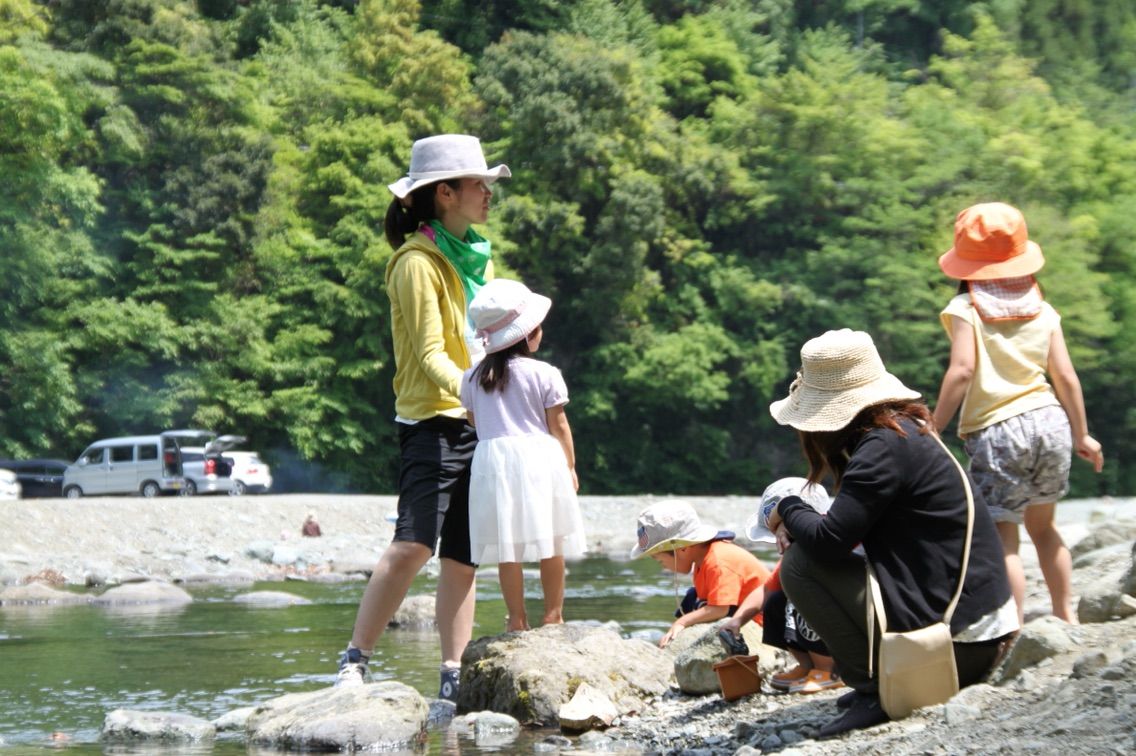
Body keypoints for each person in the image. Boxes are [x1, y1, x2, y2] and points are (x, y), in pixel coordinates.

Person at [763, 329, 1018, 738]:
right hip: (977, 632)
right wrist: (801, 522)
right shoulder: (904, 431)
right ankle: (876, 678)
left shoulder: (881, 448)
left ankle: (873, 689)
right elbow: (846, 530)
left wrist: (788, 508)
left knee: (800, 565)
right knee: (808, 552)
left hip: (954, 647)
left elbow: (828, 544)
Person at [335, 134, 510, 702]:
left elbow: (488, 341)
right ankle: (354, 660)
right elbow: (431, 352)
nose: (488, 193)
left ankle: (453, 674)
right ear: (445, 193)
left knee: (463, 554)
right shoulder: (414, 263)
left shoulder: (477, 257)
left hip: (478, 419)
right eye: (479, 184)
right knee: (414, 544)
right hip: (432, 422)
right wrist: (473, 394)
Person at [932, 202, 1104, 624]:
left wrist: (934, 426)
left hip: (999, 431)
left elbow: (962, 371)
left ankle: (1015, 626)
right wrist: (1082, 434)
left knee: (1003, 537)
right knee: (1045, 528)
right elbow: (1065, 376)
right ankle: (1065, 616)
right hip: (1051, 422)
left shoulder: (965, 310)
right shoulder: (1043, 309)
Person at [460, 279, 586, 632]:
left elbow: (473, 420)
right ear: (528, 334)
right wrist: (570, 466)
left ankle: (516, 619)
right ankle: (553, 615)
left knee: (508, 546)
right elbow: (559, 426)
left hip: (492, 463)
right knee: (552, 540)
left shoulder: (471, 378)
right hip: (539, 459)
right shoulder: (544, 373)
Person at [721, 477, 843, 694]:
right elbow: (767, 589)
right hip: (827, 618)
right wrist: (737, 620)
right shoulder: (793, 555)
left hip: (844, 619)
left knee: (799, 596)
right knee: (776, 601)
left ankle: (829, 669)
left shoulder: (827, 540)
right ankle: (808, 665)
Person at [630, 500, 771, 649]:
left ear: (682, 549)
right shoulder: (703, 559)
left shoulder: (718, 561)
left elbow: (720, 609)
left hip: (764, 622)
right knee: (692, 598)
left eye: (660, 561)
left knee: (695, 606)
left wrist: (682, 622)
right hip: (740, 610)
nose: (663, 566)